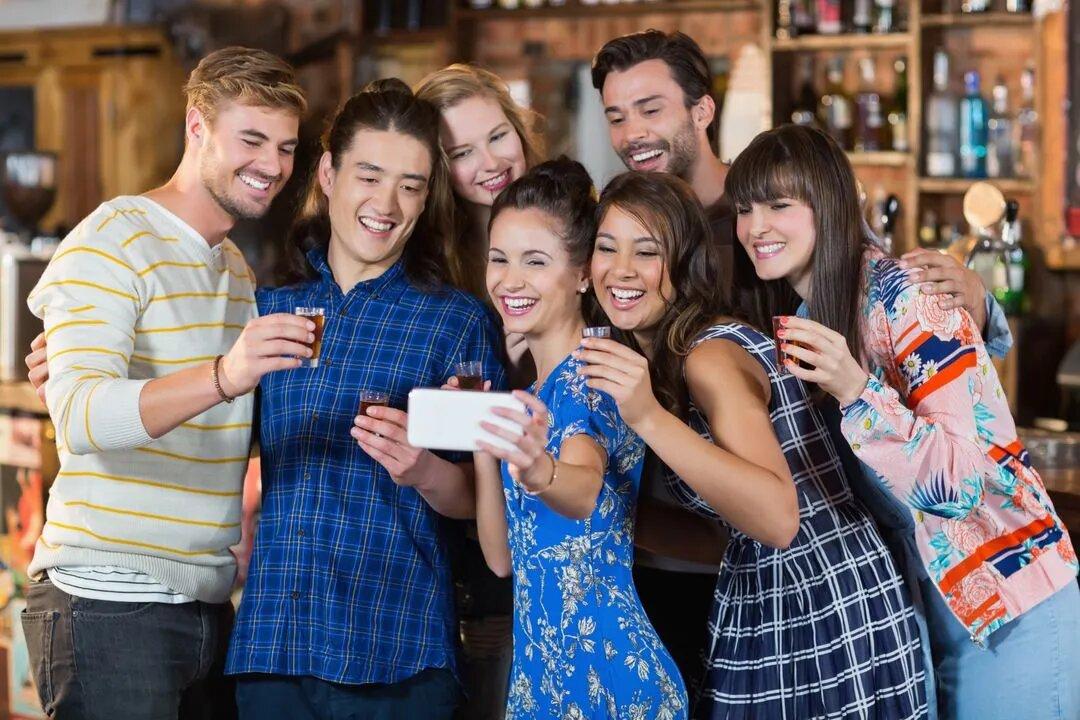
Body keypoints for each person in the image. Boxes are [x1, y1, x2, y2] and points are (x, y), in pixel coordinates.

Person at [725, 124, 1079, 720]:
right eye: (744, 209)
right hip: (924, 614)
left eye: (779, 205)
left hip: (1010, 602)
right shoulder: (814, 314)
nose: (756, 226)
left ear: (829, 204)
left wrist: (856, 391)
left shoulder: (907, 296)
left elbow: (962, 483)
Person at [19, 47, 308, 719]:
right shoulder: (111, 240)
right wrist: (225, 374)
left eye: (287, 147)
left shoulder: (234, 270)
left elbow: (224, 423)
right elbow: (84, 419)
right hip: (108, 601)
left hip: (204, 605)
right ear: (196, 125)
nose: (272, 164)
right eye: (253, 139)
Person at [577, 170, 928, 719]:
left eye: (647, 251)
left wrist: (645, 416)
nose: (621, 270)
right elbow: (727, 538)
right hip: (771, 593)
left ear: (684, 265)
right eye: (607, 247)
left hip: (819, 601)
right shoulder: (662, 360)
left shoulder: (708, 355)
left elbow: (777, 516)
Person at [224, 79, 505, 720]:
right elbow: (207, 429)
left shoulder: (454, 323)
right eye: (369, 176)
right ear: (327, 173)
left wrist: (425, 470)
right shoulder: (266, 309)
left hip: (400, 654)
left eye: (410, 185)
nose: (388, 202)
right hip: (275, 646)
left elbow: (485, 502)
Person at [468, 158, 687, 719]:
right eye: (499, 259)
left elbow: (585, 487)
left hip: (605, 675)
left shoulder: (592, 376)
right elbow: (500, 560)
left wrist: (539, 471)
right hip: (542, 675)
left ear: (582, 274)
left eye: (535, 262)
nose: (509, 281)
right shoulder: (535, 387)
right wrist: (483, 442)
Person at [414, 62, 545, 720]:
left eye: (498, 136)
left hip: (576, 541)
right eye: (461, 152)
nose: (491, 162)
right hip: (478, 564)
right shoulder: (433, 271)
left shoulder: (572, 220)